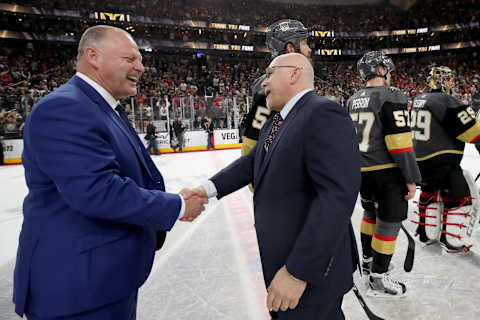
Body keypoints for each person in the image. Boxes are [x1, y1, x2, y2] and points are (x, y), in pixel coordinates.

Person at [12, 25, 207, 320]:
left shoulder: (104, 108)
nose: (141, 67)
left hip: (105, 282)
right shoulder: (65, 108)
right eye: (130, 59)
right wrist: (178, 206)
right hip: (76, 292)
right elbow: (98, 191)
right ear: (93, 56)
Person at [190, 53, 361, 319]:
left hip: (309, 270)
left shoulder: (323, 113)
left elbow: (336, 198)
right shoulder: (276, 120)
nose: (264, 83)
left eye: (270, 73)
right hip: (284, 260)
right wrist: (206, 189)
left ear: (294, 73)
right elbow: (251, 164)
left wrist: (298, 271)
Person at [346, 51, 421, 298]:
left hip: (361, 171)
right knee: (389, 222)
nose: (390, 75)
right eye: (387, 70)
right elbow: (399, 143)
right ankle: (378, 277)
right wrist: (410, 177)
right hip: (386, 172)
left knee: (369, 214)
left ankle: (367, 262)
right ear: (380, 70)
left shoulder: (353, 99)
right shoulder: (392, 95)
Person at [411, 66, 480, 253]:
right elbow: (472, 133)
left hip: (418, 160)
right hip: (440, 160)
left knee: (429, 193)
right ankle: (452, 240)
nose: (452, 82)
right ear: (439, 80)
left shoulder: (419, 98)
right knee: (461, 196)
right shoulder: (447, 100)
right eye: (448, 79)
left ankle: (425, 231)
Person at [240, 19, 311, 168]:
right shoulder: (272, 85)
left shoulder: (284, 80)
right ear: (291, 48)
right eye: (304, 43)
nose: (309, 49)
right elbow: (252, 142)